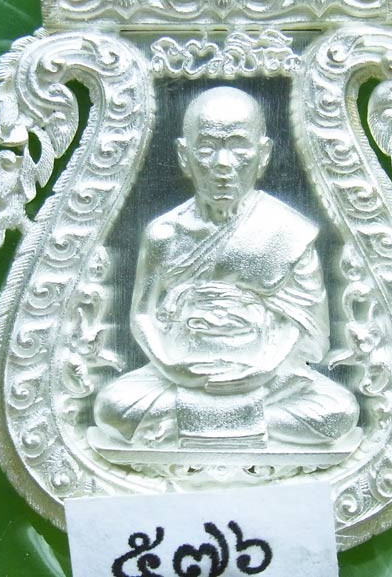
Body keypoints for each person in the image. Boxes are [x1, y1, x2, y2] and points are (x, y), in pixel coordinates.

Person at [93, 86, 359, 449]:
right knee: (112, 407)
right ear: (184, 156)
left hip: (268, 379)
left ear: (263, 155)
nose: (222, 164)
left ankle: (190, 424)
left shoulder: (287, 231)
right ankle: (243, 424)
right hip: (182, 377)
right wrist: (170, 366)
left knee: (339, 411)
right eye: (206, 148)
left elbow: (306, 326)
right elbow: (143, 315)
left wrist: (265, 368)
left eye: (238, 147)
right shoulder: (164, 234)